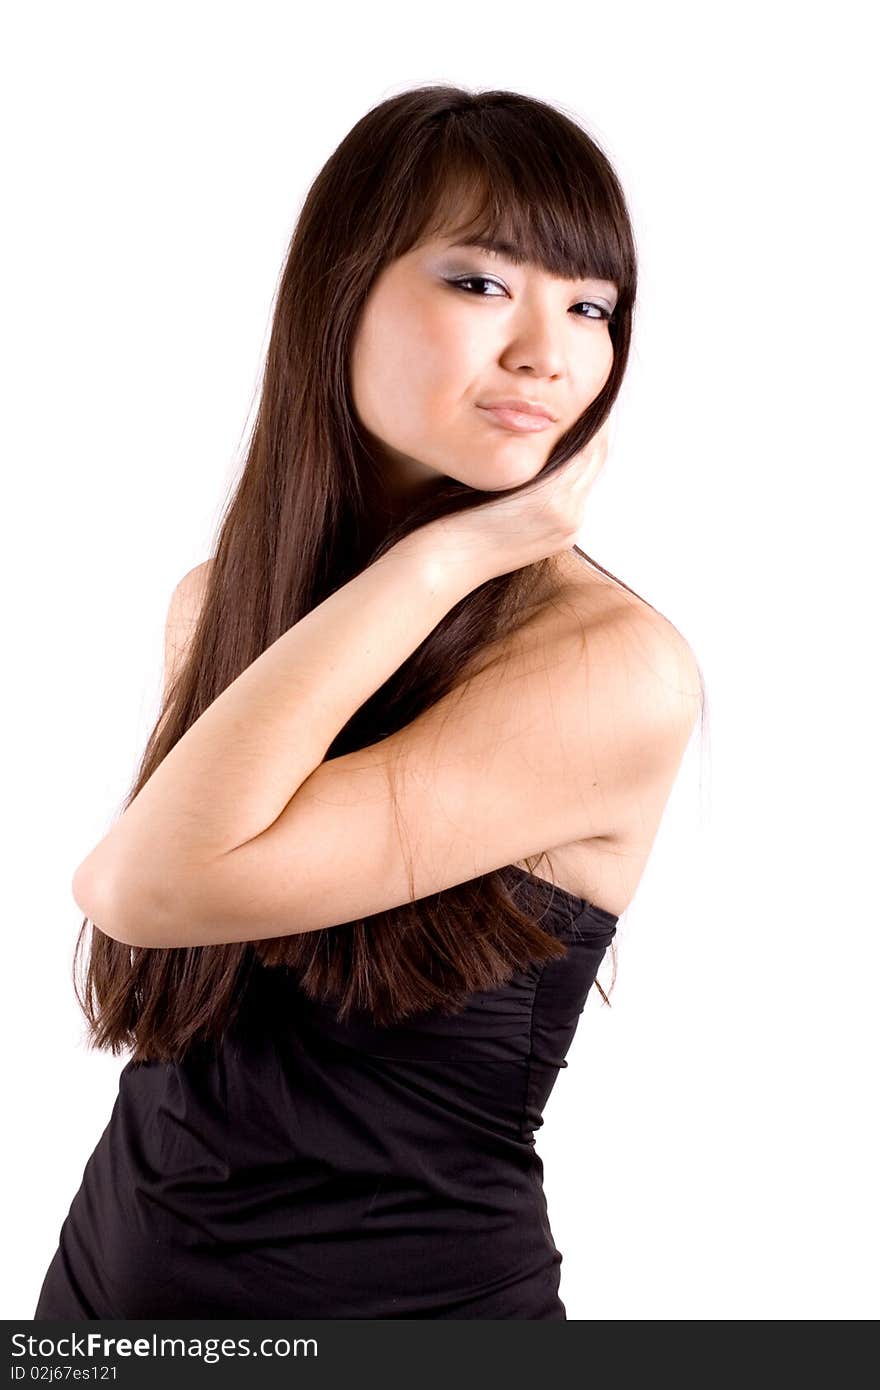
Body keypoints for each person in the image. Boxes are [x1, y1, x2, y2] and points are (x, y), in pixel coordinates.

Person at [34, 84, 703, 1320]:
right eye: (483, 283)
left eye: (590, 306)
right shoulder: (221, 604)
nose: (549, 353)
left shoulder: (607, 669)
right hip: (111, 1294)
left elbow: (146, 887)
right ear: (341, 288)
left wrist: (448, 554)